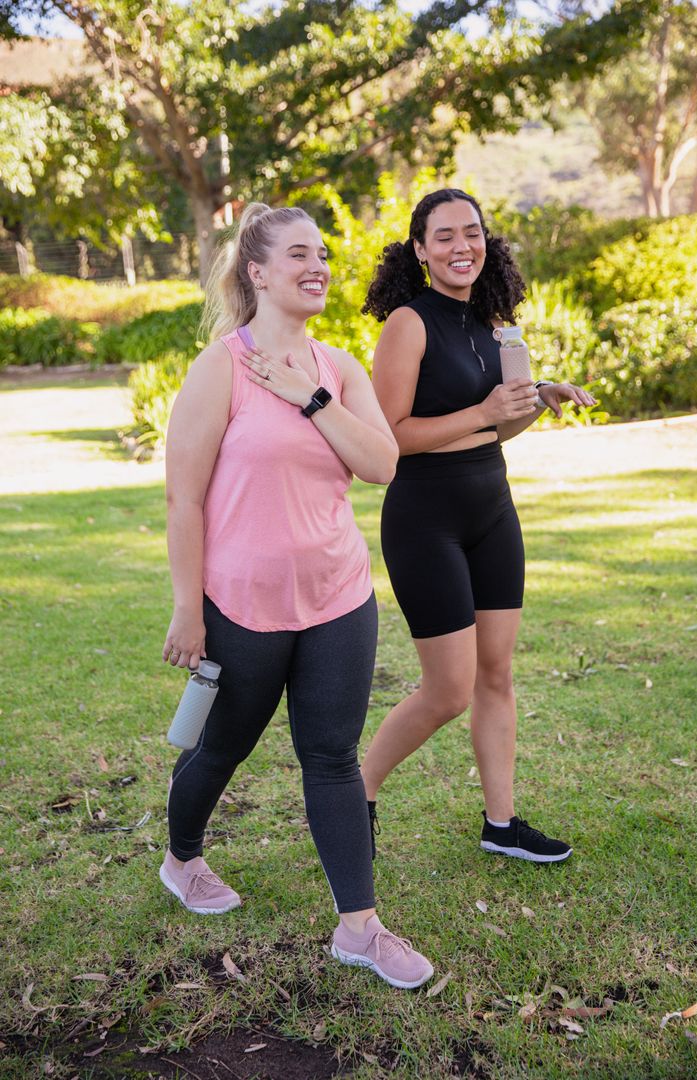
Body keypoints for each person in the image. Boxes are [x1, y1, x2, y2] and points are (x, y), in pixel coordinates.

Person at [159, 202, 434, 990]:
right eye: (299, 256)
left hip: (338, 596)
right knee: (224, 745)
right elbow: (184, 498)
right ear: (257, 272)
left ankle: (360, 928)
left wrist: (309, 397)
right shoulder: (221, 366)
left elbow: (381, 463)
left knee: (331, 756)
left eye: (323, 255)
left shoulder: (338, 367)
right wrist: (188, 606)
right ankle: (182, 860)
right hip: (240, 602)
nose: (318, 266)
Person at [360, 188, 596, 863]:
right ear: (420, 250)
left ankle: (501, 825)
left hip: (493, 511)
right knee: (448, 690)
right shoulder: (408, 323)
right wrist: (486, 410)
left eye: (473, 232)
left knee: (497, 674)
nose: (462, 246)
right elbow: (388, 440)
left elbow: (499, 426)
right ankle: (359, 788)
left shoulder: (494, 322)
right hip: (424, 519)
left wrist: (537, 401)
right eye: (445, 236)